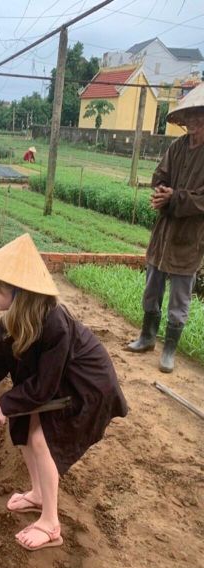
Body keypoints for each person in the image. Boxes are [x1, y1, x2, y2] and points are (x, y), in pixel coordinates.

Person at [0, 234, 128, 552]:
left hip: (86, 387)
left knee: (40, 437)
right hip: (56, 384)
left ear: (19, 293)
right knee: (23, 425)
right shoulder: (8, 325)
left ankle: (51, 524)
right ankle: (37, 493)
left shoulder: (55, 324)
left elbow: (46, 386)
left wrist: (5, 403)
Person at [126, 83, 204, 373]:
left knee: (179, 297)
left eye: (199, 118)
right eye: (191, 119)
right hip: (163, 233)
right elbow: (160, 175)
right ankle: (147, 337)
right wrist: (160, 190)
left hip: (190, 237)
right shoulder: (177, 147)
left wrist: (176, 198)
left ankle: (169, 349)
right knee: (152, 286)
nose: (193, 125)